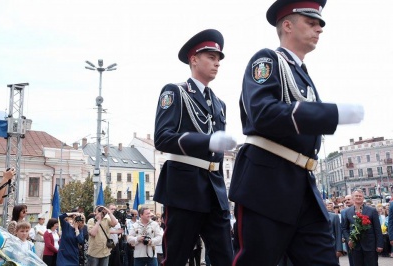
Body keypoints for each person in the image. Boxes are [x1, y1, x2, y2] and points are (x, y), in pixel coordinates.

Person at [228, 0, 365, 265]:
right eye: (311, 23)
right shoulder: (267, 59)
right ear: (288, 25)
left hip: (302, 185)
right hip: (267, 183)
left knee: (323, 260)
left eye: (320, 24)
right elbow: (263, 113)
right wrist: (332, 113)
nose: (319, 29)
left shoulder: (302, 73)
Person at [153, 28, 235, 266]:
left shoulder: (220, 104)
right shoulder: (175, 92)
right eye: (211, 57)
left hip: (215, 188)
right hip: (184, 187)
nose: (217, 63)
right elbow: (163, 137)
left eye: (219, 58)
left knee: (225, 258)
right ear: (194, 59)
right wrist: (207, 141)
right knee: (176, 257)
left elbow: (217, 155)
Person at [341, 189, 383, 266]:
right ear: (353, 198)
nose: (358, 197)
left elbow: (377, 228)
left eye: (360, 196)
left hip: (370, 246)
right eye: (356, 196)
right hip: (355, 246)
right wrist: (348, 239)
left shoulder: (372, 210)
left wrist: (379, 244)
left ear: (363, 198)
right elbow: (344, 228)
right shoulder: (347, 212)